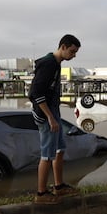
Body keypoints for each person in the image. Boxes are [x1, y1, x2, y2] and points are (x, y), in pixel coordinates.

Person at [29, 34, 81, 204]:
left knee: (60, 149)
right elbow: (35, 93)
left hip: (53, 110)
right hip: (46, 114)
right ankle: (41, 193)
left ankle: (58, 186)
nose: (73, 55)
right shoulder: (49, 64)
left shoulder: (56, 63)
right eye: (72, 51)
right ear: (63, 47)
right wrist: (50, 118)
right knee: (47, 154)